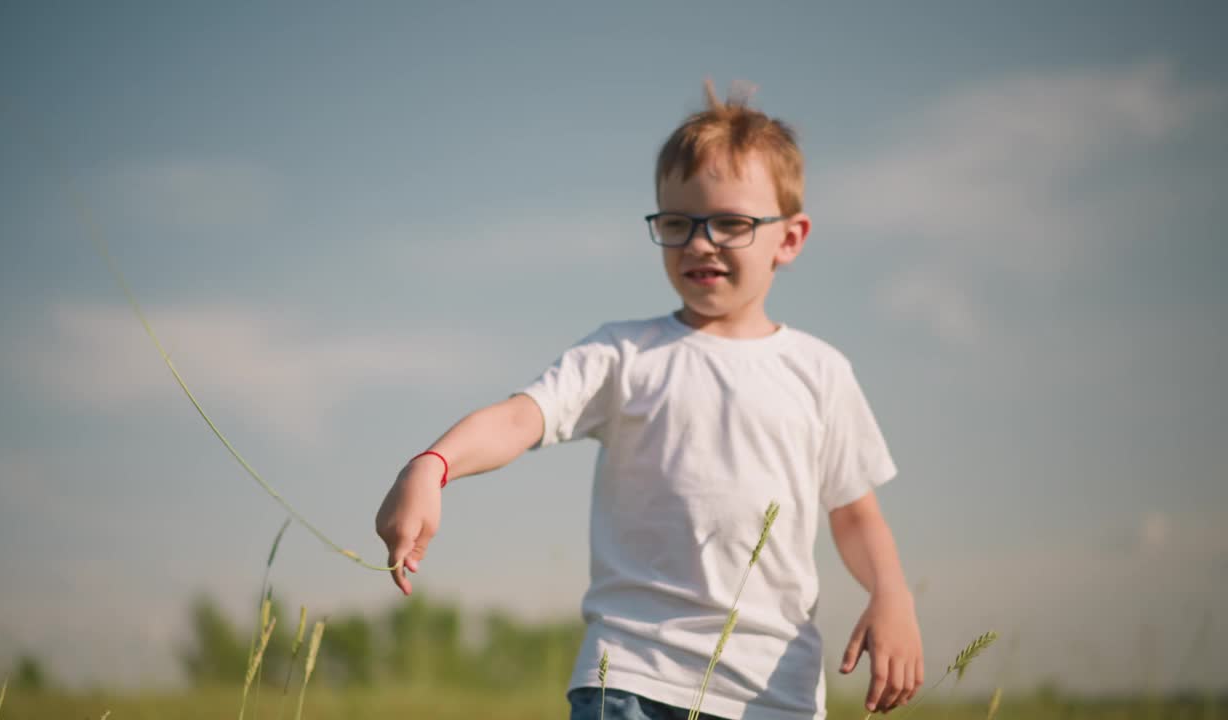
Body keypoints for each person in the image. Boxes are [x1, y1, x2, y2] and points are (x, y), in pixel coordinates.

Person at [375, 79, 923, 719]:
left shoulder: (821, 372)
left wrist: (893, 596)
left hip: (775, 694)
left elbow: (856, 514)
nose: (699, 243)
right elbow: (522, 417)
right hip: (630, 679)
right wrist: (434, 464)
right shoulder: (624, 354)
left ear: (790, 238)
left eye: (730, 223)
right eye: (677, 223)